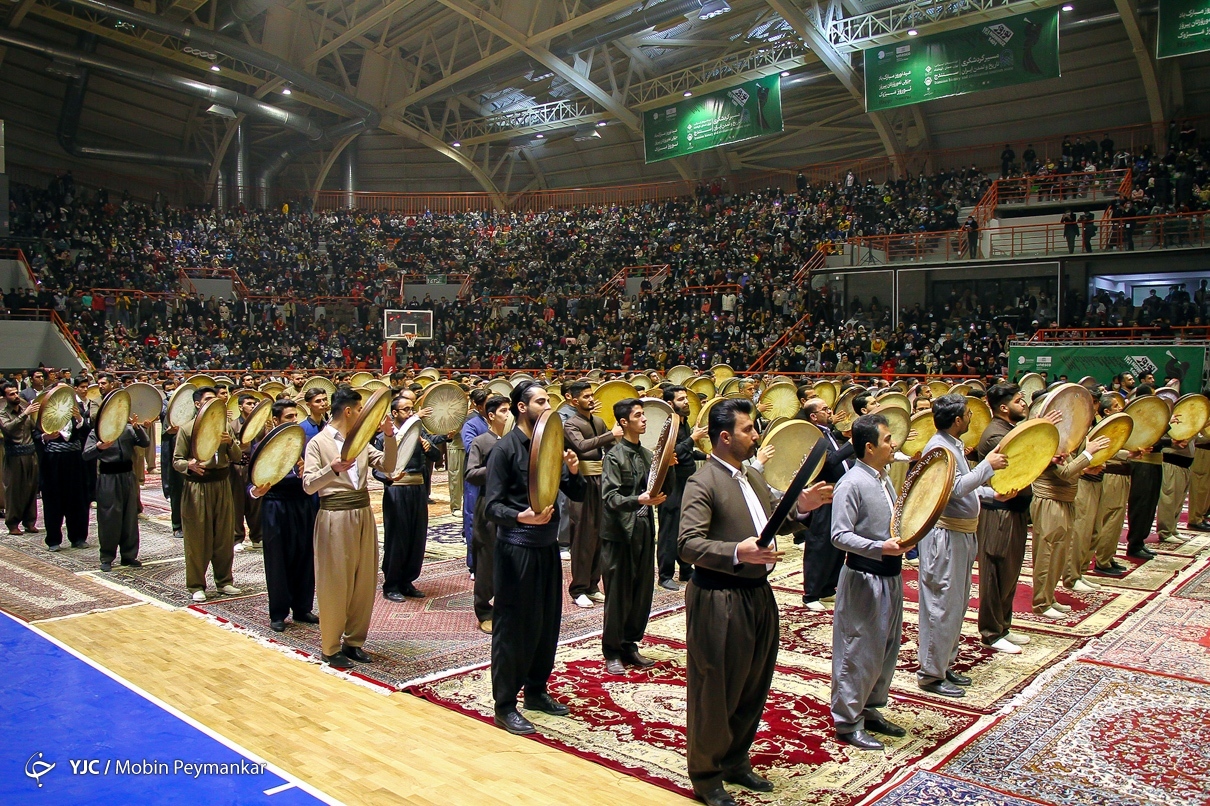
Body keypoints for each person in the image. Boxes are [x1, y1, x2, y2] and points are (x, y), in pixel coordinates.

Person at [677, 398, 830, 806]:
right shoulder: (702, 481)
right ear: (725, 437)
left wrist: (802, 507)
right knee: (716, 688)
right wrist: (736, 551)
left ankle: (734, 759)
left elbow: (773, 521)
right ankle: (706, 774)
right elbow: (687, 544)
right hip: (718, 595)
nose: (756, 435)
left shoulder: (752, 477)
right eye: (748, 429)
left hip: (757, 592)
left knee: (752, 683)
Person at [483, 381, 585, 736]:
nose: (548, 406)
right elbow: (491, 507)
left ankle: (536, 691)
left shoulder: (553, 444)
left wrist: (574, 472)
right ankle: (504, 705)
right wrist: (520, 516)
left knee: (545, 623)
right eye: (541, 401)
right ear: (522, 408)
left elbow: (577, 493)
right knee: (514, 627)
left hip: (546, 547)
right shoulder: (504, 450)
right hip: (516, 549)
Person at [917, 394, 1009, 697]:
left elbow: (966, 488)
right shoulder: (939, 447)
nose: (972, 417)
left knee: (956, 603)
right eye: (968, 414)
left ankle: (944, 664)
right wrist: (987, 466)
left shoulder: (953, 444)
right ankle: (931, 674)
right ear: (957, 420)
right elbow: (954, 489)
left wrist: (993, 495)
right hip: (945, 535)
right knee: (941, 603)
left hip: (962, 533)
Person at [302, 385, 398, 669]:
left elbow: (388, 465)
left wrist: (389, 436)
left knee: (364, 580)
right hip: (334, 515)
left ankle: (354, 642)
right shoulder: (318, 443)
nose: (362, 414)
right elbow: (308, 485)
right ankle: (330, 647)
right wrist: (331, 469)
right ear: (348, 411)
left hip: (363, 512)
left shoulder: (361, 440)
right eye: (359, 409)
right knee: (335, 582)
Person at [830, 413, 909, 751]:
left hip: (889, 573)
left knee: (885, 646)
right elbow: (838, 535)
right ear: (869, 447)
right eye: (888, 439)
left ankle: (869, 707)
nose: (894, 444)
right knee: (857, 648)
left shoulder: (882, 478)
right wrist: (879, 547)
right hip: (863, 576)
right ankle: (847, 720)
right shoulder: (851, 483)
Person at [600, 398, 666, 674]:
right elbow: (610, 498)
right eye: (638, 415)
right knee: (619, 593)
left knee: (641, 591)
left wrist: (669, 467)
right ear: (624, 422)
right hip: (619, 532)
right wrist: (638, 500)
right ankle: (612, 650)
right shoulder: (614, 456)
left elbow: (660, 490)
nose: (644, 419)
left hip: (643, 528)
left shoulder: (648, 455)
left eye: (643, 414)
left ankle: (630, 644)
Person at [975, 384, 1040, 653]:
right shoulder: (995, 436)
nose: (1023, 404)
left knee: (1010, 572)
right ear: (1004, 407)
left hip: (1014, 510)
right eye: (1018, 401)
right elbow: (1024, 462)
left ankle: (1003, 626)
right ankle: (991, 632)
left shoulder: (1009, 430)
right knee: (995, 572)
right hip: (998, 512)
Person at [249, 399, 319, 633]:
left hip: (302, 504)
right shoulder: (262, 446)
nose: (294, 421)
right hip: (275, 505)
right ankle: (278, 613)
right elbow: (250, 484)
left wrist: (308, 472)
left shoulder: (305, 444)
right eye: (289, 417)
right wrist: (256, 491)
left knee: (304, 556)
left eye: (295, 416)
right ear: (275, 420)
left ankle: (302, 607)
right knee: (278, 559)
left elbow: (316, 474)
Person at [173, 386, 243, 602]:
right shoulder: (187, 429)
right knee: (197, 538)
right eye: (208, 399)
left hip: (222, 484)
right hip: (198, 487)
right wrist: (189, 465)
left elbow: (237, 456)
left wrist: (230, 443)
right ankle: (196, 585)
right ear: (198, 404)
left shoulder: (224, 428)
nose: (214, 403)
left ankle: (224, 581)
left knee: (224, 536)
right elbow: (177, 461)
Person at [1031, 430, 1107, 619]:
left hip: (1064, 500)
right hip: (1050, 502)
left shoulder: (1063, 440)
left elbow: (1069, 471)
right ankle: (1041, 603)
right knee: (1047, 553)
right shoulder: (1047, 440)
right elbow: (1063, 473)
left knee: (1059, 553)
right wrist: (1088, 454)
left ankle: (1049, 597)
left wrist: (1084, 470)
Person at [373, 391, 442, 601]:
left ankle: (407, 581)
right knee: (397, 538)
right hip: (396, 490)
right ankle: (391, 584)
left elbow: (437, 456)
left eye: (411, 409)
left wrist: (429, 448)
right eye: (406, 410)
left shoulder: (420, 433)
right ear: (394, 413)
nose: (410, 413)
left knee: (416, 536)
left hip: (418, 489)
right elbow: (376, 469)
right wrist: (389, 478)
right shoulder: (384, 438)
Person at [563, 380, 621, 608]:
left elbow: (610, 447)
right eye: (586, 396)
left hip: (601, 480)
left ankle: (593, 585)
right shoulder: (570, 424)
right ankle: (578, 588)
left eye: (591, 395)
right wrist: (611, 435)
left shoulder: (598, 421)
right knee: (582, 536)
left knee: (599, 534)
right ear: (574, 401)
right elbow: (582, 446)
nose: (590, 399)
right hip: (581, 481)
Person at [799, 396, 855, 612]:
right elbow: (829, 461)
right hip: (822, 493)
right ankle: (811, 594)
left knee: (836, 542)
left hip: (838, 492)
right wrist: (852, 444)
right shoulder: (813, 435)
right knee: (820, 543)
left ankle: (827, 588)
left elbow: (841, 461)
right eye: (824, 409)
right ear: (814, 416)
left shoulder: (829, 432)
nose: (830, 411)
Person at [465, 394, 510, 633]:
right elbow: (471, 474)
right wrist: (495, 467)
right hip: (489, 503)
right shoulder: (481, 441)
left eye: (509, 410)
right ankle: (484, 610)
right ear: (491, 415)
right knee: (486, 558)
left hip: (512, 504)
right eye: (503, 411)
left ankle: (507, 607)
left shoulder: (515, 439)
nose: (508, 415)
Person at [84, 410, 150, 571]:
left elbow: (145, 442)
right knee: (109, 516)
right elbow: (86, 454)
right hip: (108, 477)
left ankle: (129, 555)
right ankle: (107, 556)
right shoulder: (97, 432)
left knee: (129, 516)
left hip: (127, 476)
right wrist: (99, 447)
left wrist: (138, 428)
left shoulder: (128, 429)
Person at [657, 386, 706, 590]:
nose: (686, 402)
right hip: (671, 482)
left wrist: (706, 455)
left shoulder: (684, 423)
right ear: (670, 403)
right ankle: (665, 574)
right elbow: (671, 452)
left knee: (686, 526)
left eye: (686, 398)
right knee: (669, 528)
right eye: (681, 399)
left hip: (686, 479)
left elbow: (687, 452)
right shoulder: (668, 424)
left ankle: (685, 568)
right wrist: (693, 438)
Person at [39, 384, 90, 551]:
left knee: (77, 498)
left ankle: (78, 537)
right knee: (53, 499)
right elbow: (34, 434)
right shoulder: (44, 410)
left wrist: (80, 420)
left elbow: (87, 432)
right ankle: (53, 540)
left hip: (75, 459)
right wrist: (45, 437)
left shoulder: (77, 409)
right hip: (53, 460)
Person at [1, 381, 40, 535]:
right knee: (14, 491)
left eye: (16, 392)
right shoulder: (3, 414)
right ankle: (12, 523)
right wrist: (25, 414)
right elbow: (8, 429)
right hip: (14, 456)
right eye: (11, 394)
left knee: (31, 489)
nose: (16, 396)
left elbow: (34, 429)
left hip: (30, 454)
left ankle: (30, 522)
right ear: (5, 397)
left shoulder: (26, 410)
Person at [461, 388, 490, 574]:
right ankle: (475, 564)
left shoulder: (502, 423)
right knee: (473, 519)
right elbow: (471, 448)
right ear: (479, 407)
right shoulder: (471, 424)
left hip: (495, 478)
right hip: (477, 476)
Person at [231, 393, 264, 552]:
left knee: (256, 503)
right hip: (238, 467)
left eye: (254, 403)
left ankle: (257, 537)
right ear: (240, 407)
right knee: (237, 503)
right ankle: (237, 538)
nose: (252, 406)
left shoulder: (260, 425)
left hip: (255, 467)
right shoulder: (232, 425)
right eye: (249, 403)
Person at [160, 378, 185, 540]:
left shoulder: (191, 407)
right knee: (177, 489)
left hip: (192, 453)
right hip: (174, 450)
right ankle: (177, 525)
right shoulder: (165, 405)